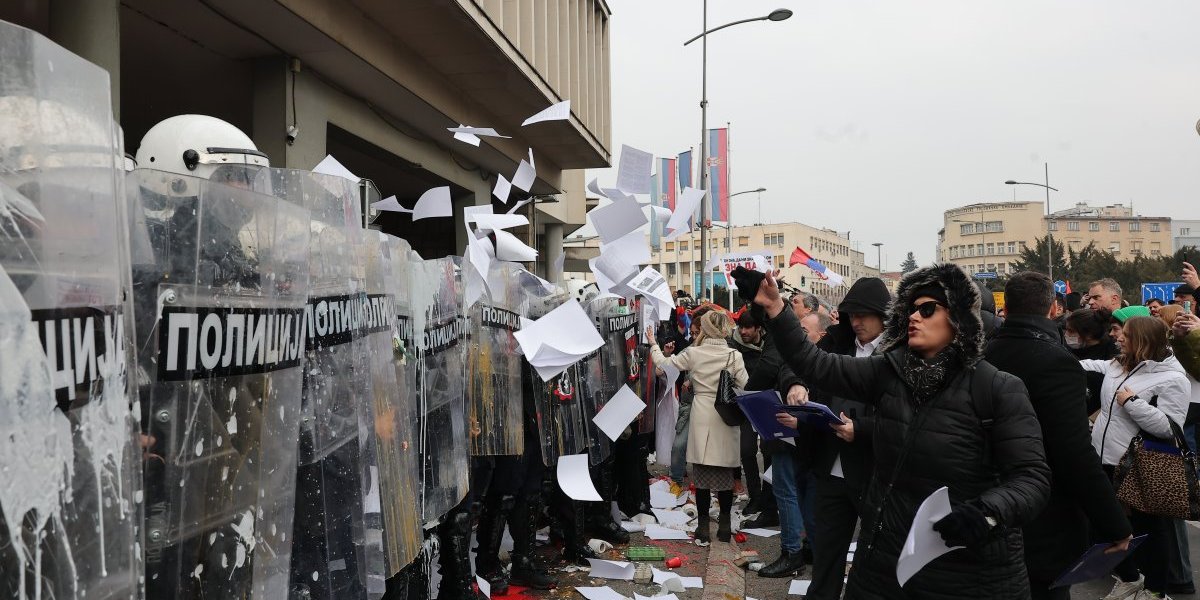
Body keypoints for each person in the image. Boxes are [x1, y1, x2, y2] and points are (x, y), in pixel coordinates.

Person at [750, 263, 1051, 599]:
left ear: (958, 318)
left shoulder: (998, 388)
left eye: (927, 309)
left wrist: (988, 512)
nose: (914, 317)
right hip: (884, 561)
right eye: (911, 310)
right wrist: (776, 308)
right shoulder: (889, 373)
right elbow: (815, 363)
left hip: (966, 570)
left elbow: (1032, 477)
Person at [983, 272, 1132, 600]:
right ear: (1053, 308)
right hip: (1044, 513)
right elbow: (1073, 453)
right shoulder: (1057, 363)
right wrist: (1115, 525)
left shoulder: (984, 354)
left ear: (1007, 307)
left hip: (988, 506)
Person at [776, 277, 889, 596]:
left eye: (863, 315)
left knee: (874, 556)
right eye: (852, 315)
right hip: (830, 467)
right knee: (826, 553)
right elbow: (799, 361)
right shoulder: (839, 341)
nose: (856, 322)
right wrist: (796, 384)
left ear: (883, 315)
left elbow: (908, 418)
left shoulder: (898, 352)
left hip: (873, 470)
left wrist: (861, 429)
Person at [1082, 316, 1190, 600]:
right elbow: (1089, 365)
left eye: (1126, 335)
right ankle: (1130, 578)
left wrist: (1132, 403)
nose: (1117, 337)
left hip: (1138, 465)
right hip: (1103, 459)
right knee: (1104, 525)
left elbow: (1170, 427)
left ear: (1143, 341)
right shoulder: (1118, 364)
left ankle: (1155, 591)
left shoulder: (1174, 378)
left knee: (1149, 530)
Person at [647, 311, 748, 543]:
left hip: (701, 412)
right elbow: (745, 385)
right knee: (725, 475)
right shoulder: (734, 356)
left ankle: (703, 528)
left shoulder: (694, 352)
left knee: (701, 477)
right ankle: (724, 526)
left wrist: (654, 344)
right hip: (725, 415)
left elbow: (664, 364)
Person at [1065, 308, 1121, 416]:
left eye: (1071, 331)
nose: (1066, 334)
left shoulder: (1111, 356)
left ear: (1089, 334)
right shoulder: (1071, 349)